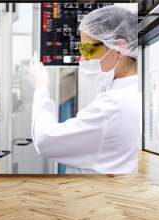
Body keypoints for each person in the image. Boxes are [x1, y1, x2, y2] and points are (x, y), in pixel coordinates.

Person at [29, 5, 140, 174]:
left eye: (87, 50)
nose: (82, 58)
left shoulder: (113, 105)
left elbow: (46, 140)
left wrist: (41, 88)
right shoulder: (139, 91)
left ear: (120, 48)